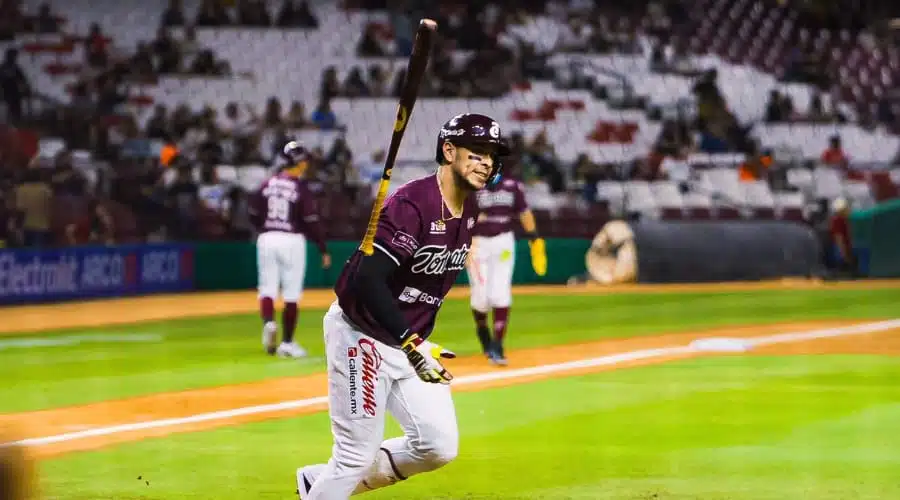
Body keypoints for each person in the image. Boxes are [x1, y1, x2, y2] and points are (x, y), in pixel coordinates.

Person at [295, 114, 508, 500]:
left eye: (492, 155)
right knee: (353, 457)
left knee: (437, 445)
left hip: (406, 343)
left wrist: (417, 342)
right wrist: (411, 341)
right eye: (477, 153)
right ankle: (331, 484)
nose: (487, 162)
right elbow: (366, 280)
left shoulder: (471, 208)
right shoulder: (412, 204)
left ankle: (317, 483)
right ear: (449, 150)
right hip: (362, 334)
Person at [249, 140, 331, 358]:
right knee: (291, 294)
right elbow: (311, 221)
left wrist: (264, 229)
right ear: (301, 163)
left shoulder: (267, 184)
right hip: (291, 239)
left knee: (267, 289)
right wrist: (322, 248)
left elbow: (252, 213)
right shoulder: (299, 188)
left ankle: (268, 322)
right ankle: (287, 343)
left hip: (267, 236)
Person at [466, 172, 546, 366]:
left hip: (503, 242)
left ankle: (497, 344)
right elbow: (458, 213)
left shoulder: (512, 185)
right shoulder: (470, 183)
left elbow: (524, 211)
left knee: (500, 292)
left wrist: (534, 236)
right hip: (477, 243)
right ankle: (483, 332)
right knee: (481, 297)